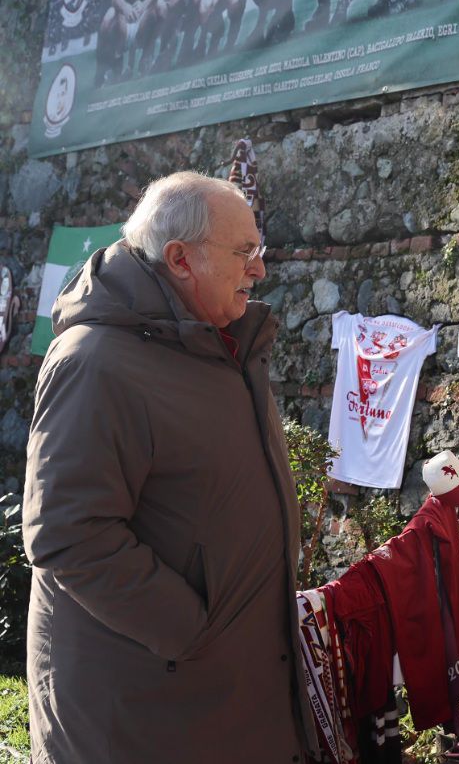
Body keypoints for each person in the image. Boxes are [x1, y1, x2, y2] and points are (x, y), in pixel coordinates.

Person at [24, 172, 316, 763]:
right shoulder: (97, 362)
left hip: (221, 692)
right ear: (181, 260)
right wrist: (192, 629)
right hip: (143, 708)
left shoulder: (218, 342)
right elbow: (68, 534)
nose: (260, 269)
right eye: (245, 253)